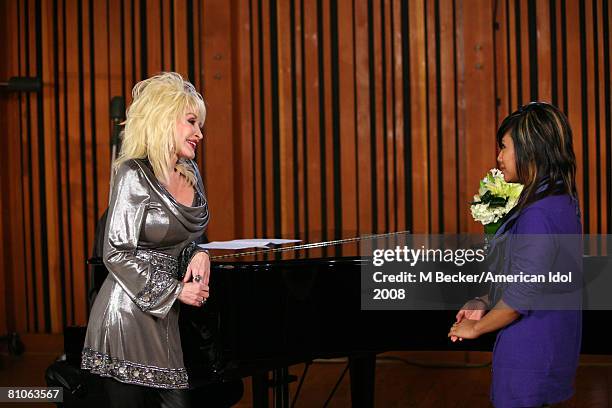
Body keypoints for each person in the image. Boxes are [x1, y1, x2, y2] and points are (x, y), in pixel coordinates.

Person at [82, 72, 211, 408]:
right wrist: (177, 290)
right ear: (164, 120)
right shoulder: (133, 173)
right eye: (192, 122)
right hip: (125, 316)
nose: (199, 133)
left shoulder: (190, 173)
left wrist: (199, 252)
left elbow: (185, 240)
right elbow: (116, 252)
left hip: (165, 319)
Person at [448, 102, 582, 408]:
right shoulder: (563, 199)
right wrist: (484, 301)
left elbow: (521, 297)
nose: (498, 157)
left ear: (529, 151)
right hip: (553, 345)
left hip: (529, 352)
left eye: (504, 148)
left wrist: (475, 328)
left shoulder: (537, 214)